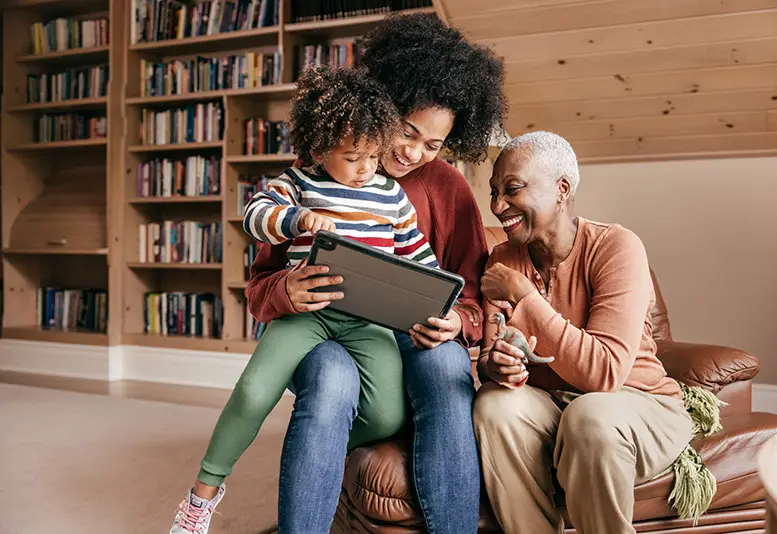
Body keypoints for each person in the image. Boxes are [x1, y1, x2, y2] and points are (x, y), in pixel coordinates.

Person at [245, 12, 507, 534]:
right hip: (327, 329)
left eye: (433, 145)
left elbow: (471, 292)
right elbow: (261, 285)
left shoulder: (448, 187)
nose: (413, 152)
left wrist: (459, 323)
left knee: (445, 369)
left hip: (411, 334)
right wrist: (288, 290)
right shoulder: (323, 167)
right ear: (386, 104)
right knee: (330, 377)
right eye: (408, 132)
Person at [169, 66, 440, 534]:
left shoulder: (392, 196)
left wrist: (439, 302)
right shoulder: (298, 181)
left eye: (374, 156)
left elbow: (419, 257)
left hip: (366, 321)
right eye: (353, 157)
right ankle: (201, 496)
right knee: (254, 391)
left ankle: (315, 449)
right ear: (319, 148)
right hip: (306, 315)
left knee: (387, 413)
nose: (366, 169)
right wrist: (297, 220)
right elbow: (254, 215)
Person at [474, 131, 694, 534]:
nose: (498, 205)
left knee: (589, 415)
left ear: (562, 189)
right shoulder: (503, 258)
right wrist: (497, 367)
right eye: (494, 192)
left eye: (512, 189)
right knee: (494, 404)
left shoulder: (617, 247)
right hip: (551, 405)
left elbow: (604, 374)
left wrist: (526, 299)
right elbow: (489, 358)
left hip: (637, 404)